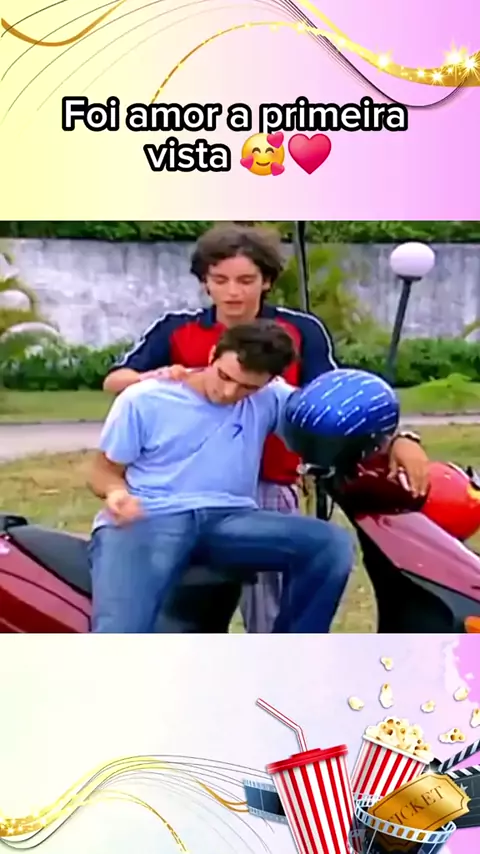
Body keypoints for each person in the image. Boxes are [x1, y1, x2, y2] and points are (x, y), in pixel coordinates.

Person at [103, 223, 430, 632]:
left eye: (245, 280)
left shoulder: (299, 331)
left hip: (269, 485)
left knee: (271, 608)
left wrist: (399, 438)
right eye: (220, 280)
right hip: (182, 489)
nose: (232, 292)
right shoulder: (177, 328)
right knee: (172, 606)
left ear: (267, 281)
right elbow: (116, 379)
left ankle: (282, 662)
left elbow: (334, 404)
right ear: (205, 282)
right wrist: (162, 377)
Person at [88, 321, 355, 633]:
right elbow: (103, 471)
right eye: (225, 376)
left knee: (330, 545)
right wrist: (117, 493)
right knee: (121, 631)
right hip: (153, 515)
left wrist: (397, 440)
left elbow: (330, 420)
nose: (230, 393)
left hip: (229, 520)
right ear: (213, 354)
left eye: (247, 388)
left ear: (269, 381)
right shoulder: (145, 399)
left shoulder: (272, 396)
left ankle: (291, 652)